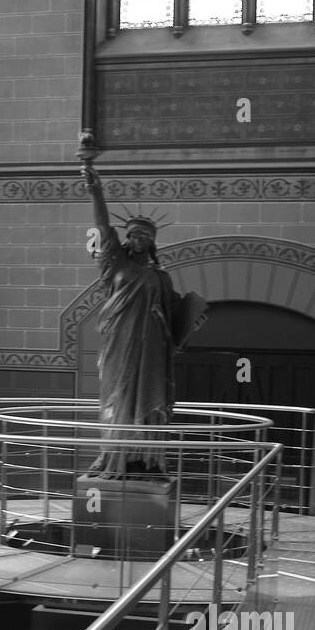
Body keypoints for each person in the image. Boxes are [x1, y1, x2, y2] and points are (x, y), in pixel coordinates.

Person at [81, 159, 205, 478]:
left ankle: (146, 460)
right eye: (134, 235)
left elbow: (176, 311)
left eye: (145, 237)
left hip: (151, 350)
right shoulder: (115, 265)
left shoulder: (160, 278)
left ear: (151, 242)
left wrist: (192, 319)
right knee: (117, 397)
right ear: (127, 239)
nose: (139, 240)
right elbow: (103, 226)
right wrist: (96, 191)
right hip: (119, 346)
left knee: (150, 397)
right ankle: (112, 456)